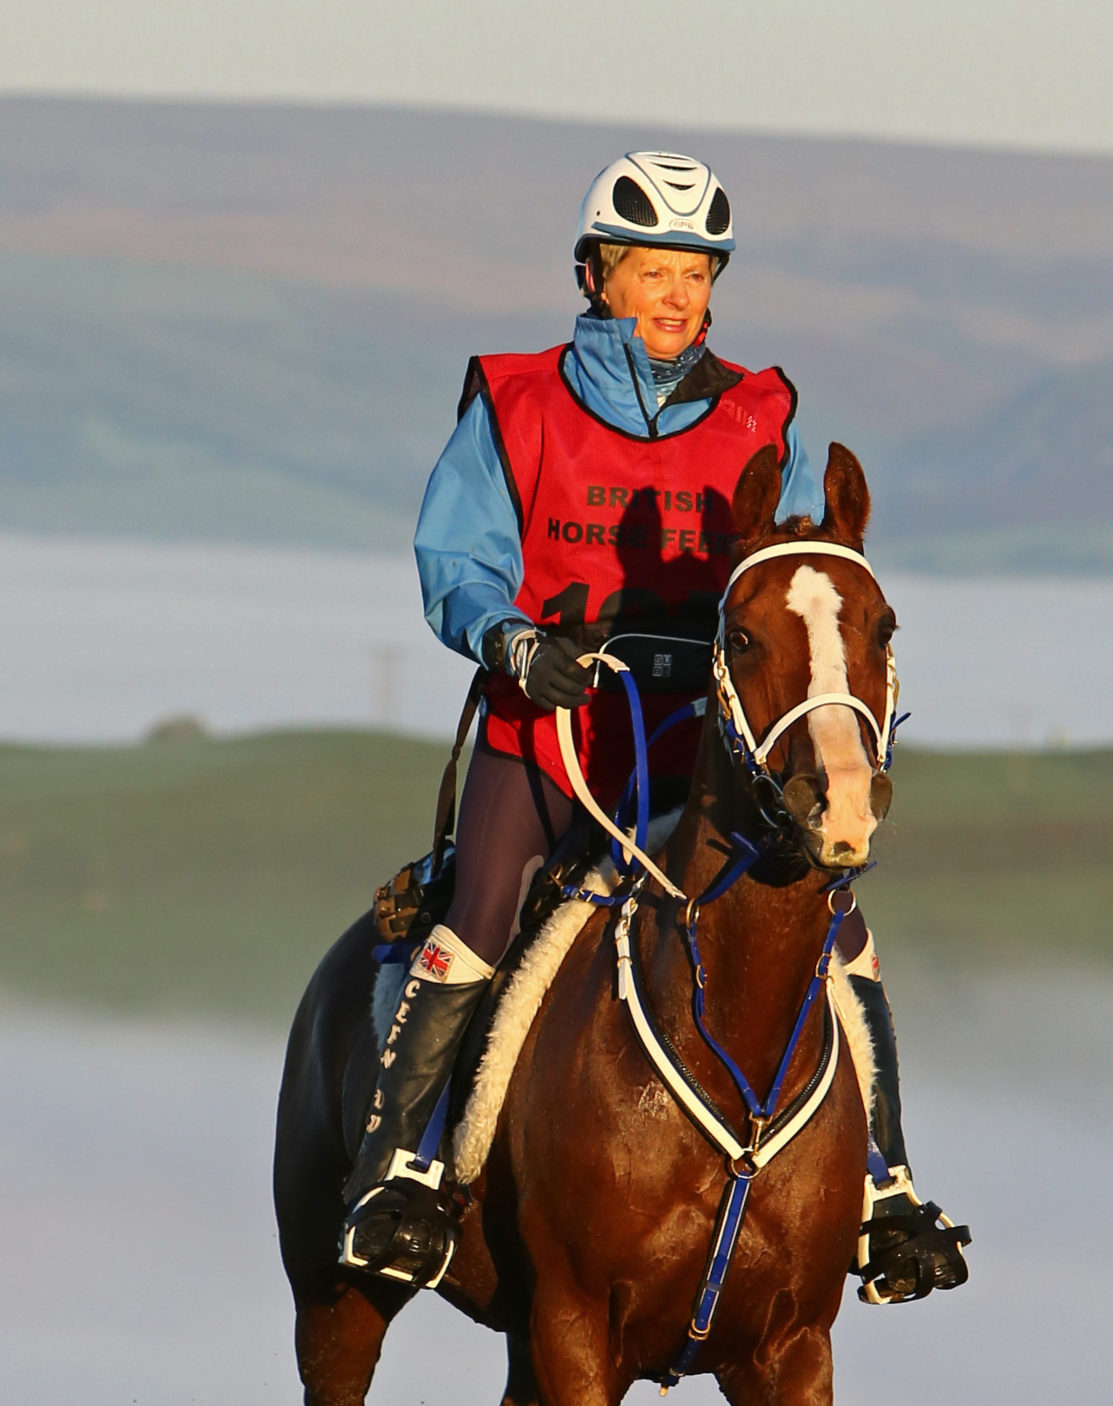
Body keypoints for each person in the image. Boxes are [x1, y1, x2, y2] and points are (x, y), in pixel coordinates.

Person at [340, 149, 968, 1307]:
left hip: (704, 751)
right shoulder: (516, 399)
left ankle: (887, 1192)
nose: (678, 297)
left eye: (696, 274)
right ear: (597, 275)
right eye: (652, 272)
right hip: (553, 736)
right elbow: (456, 558)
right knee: (479, 915)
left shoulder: (755, 410)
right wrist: (513, 640)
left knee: (836, 925)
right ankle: (403, 1178)